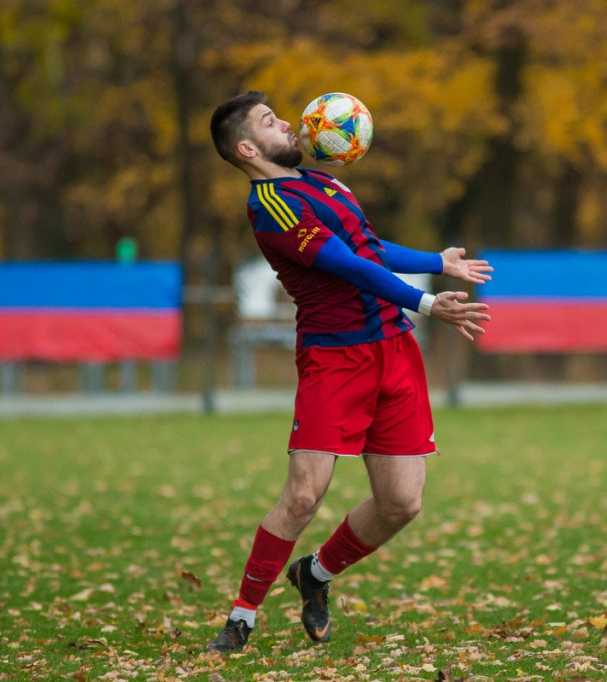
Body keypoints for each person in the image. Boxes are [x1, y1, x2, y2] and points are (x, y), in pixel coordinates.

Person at [205, 91, 492, 654]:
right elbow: (344, 264)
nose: (286, 123)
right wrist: (428, 302)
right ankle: (241, 619)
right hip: (335, 359)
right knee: (304, 494)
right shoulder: (271, 204)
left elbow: (368, 247)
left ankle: (314, 574)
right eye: (270, 121)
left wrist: (438, 262)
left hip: (394, 351)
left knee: (402, 503)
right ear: (246, 147)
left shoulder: (324, 184)